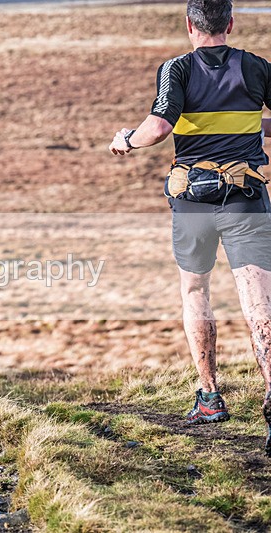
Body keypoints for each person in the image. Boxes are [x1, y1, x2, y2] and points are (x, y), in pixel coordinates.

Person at [109, 0, 271, 454]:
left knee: (195, 291)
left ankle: (209, 396)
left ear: (189, 26)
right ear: (231, 24)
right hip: (247, 198)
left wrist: (126, 140)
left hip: (193, 201)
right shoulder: (257, 67)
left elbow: (158, 127)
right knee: (257, 297)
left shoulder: (176, 68)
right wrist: (252, 131)